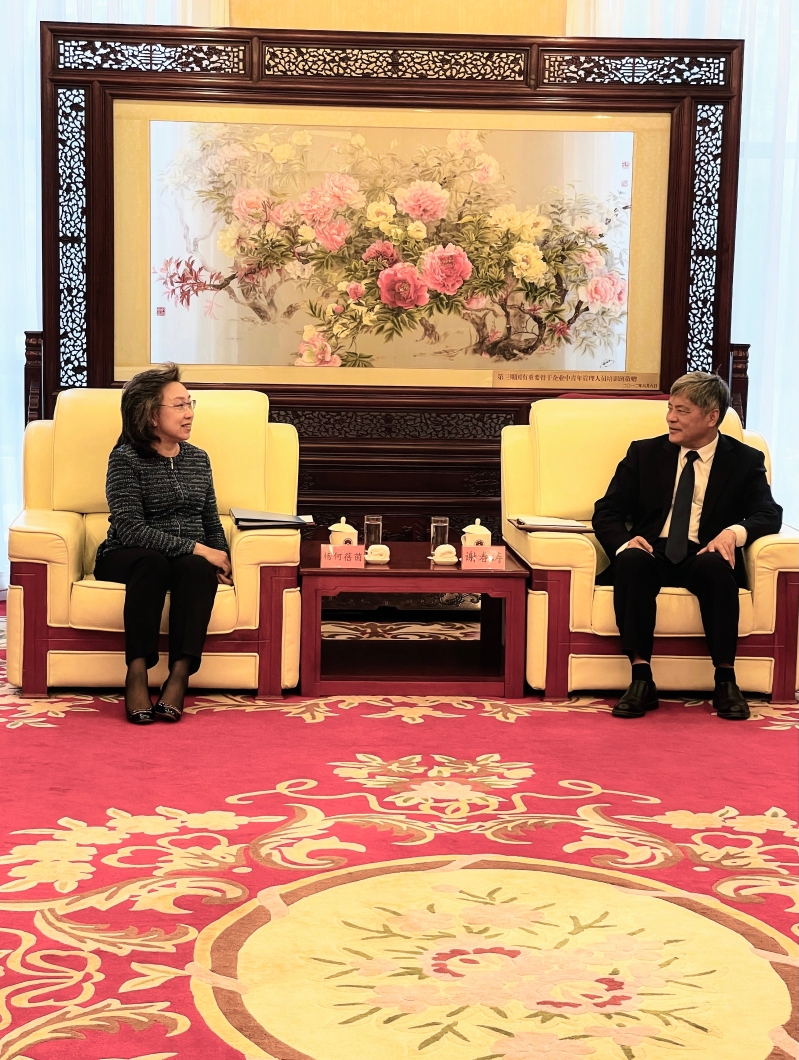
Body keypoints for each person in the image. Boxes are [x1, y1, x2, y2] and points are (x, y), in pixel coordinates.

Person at [592, 371, 782, 721]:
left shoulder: (744, 460)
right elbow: (606, 511)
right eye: (670, 408)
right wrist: (624, 542)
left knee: (717, 567)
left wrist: (734, 532)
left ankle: (725, 680)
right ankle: (641, 678)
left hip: (704, 552)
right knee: (631, 562)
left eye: (682, 410)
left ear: (712, 417)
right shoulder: (644, 453)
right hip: (653, 550)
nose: (671, 418)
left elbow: (769, 514)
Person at [94, 364, 233, 724]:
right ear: (151, 415)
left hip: (182, 560)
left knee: (196, 568)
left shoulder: (198, 459)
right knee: (153, 562)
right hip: (127, 555)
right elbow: (130, 529)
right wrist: (199, 549)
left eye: (190, 404)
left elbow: (210, 520)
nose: (189, 414)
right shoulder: (125, 459)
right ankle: (137, 671)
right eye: (179, 405)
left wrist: (222, 559)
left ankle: (180, 675)